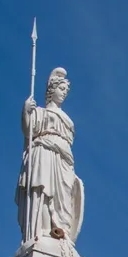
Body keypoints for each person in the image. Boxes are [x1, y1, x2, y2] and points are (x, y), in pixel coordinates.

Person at [16, 67, 84, 243]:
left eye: (66, 91)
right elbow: (29, 129)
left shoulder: (67, 119)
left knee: (64, 197)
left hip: (63, 161)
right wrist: (26, 111)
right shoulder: (41, 112)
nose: (64, 93)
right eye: (61, 89)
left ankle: (61, 234)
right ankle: (42, 231)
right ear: (52, 90)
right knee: (44, 191)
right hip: (45, 154)